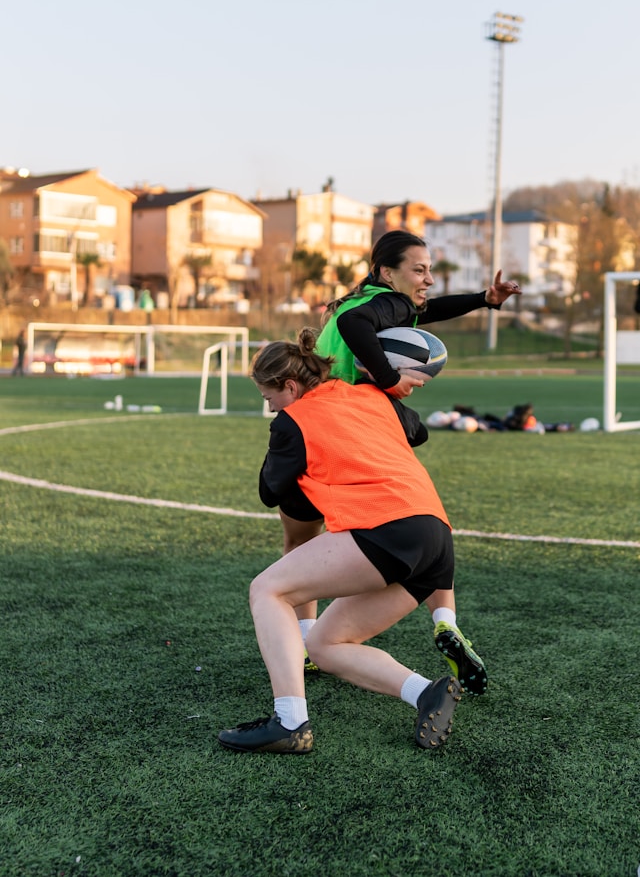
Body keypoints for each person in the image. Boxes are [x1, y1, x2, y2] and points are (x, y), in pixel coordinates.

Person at [286, 231, 521, 687]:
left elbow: (422, 310)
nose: (429, 279)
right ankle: (445, 620)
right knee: (421, 518)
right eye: (420, 270)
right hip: (353, 428)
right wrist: (390, 378)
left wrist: (484, 299)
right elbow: (357, 325)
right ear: (386, 273)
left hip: (319, 429)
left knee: (300, 539)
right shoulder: (380, 305)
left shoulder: (379, 300)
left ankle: (307, 640)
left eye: (429, 270)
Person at [218, 329, 467, 754]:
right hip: (437, 538)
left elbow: (269, 490)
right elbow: (417, 431)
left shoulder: (292, 420)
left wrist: (294, 444)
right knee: (324, 646)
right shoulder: (370, 395)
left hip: (387, 527)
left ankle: (290, 722)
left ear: (289, 386)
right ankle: (426, 692)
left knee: (267, 590)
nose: (270, 407)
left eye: (268, 397)